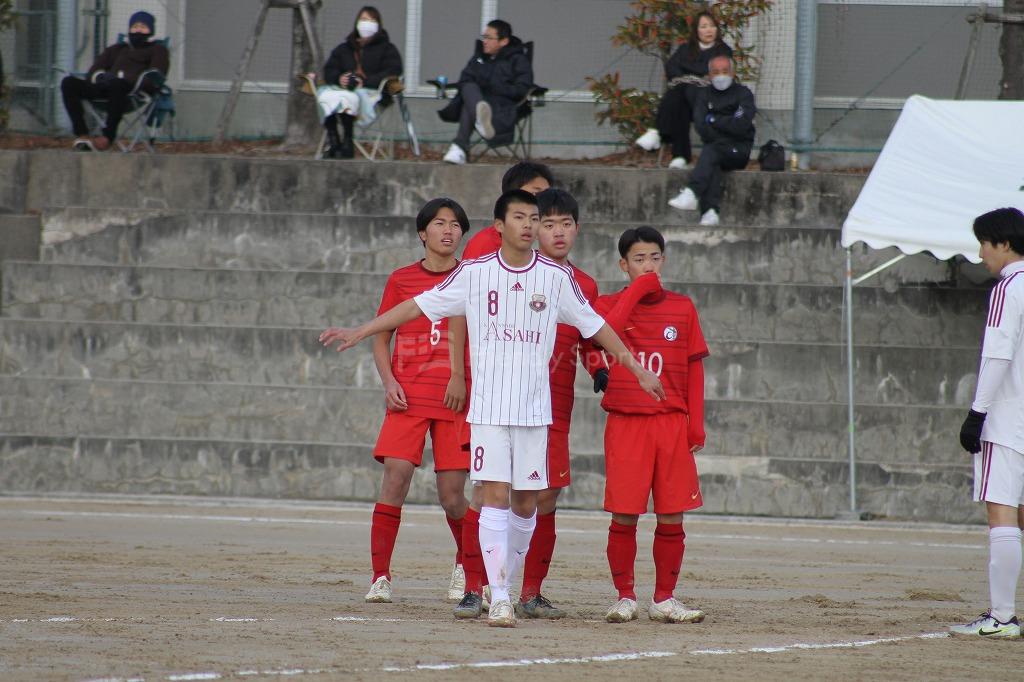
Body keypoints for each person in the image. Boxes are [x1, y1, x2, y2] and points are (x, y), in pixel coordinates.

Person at [321, 190, 664, 627]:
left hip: (535, 413)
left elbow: (595, 326)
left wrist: (636, 369)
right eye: (518, 216)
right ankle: (498, 595)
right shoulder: (474, 273)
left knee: (525, 504)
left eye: (534, 218)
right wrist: (362, 330)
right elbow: (415, 306)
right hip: (486, 412)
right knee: (495, 497)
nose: (528, 224)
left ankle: (507, 580)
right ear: (499, 225)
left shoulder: (556, 279)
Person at [591, 226, 708, 625]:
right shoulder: (611, 304)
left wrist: (697, 425)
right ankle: (625, 596)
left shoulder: (683, 306)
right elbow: (602, 338)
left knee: (672, 514)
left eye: (654, 257)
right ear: (623, 265)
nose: (648, 265)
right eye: (638, 259)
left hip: (671, 424)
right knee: (624, 514)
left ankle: (664, 598)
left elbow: (695, 370)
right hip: (627, 422)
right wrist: (637, 291)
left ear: (664, 259)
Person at [452, 160, 553, 619]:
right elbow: (457, 307)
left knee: (534, 497)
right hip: (490, 395)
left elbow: (586, 323)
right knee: (487, 492)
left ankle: (520, 587)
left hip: (543, 399)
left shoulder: (555, 272)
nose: (537, 219)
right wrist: (459, 372)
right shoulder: (479, 256)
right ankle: (477, 582)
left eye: (543, 208)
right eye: (530, 203)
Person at [361, 198, 472, 604]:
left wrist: (461, 377)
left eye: (456, 224)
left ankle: (466, 564)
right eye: (440, 223)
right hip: (407, 395)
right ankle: (380, 576)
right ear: (422, 233)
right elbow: (381, 334)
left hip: (456, 397)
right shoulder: (402, 279)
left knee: (453, 494)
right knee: (395, 478)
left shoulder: (471, 277)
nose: (449, 230)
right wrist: (388, 379)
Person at [513, 188, 601, 620]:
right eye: (548, 224)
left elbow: (591, 338)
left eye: (565, 224)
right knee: (497, 495)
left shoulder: (584, 284)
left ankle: (530, 592)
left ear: (576, 229)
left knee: (547, 495)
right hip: (506, 399)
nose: (558, 232)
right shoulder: (513, 272)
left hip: (555, 405)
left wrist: (599, 367)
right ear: (533, 229)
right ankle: (477, 584)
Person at [952, 207, 1024, 639]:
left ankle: (1001, 616)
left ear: (1002, 243)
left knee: (1002, 513)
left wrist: (977, 412)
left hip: (1009, 417)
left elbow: (998, 355)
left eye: (983, 243)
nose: (980, 253)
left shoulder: (1008, 288)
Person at [635, 11, 733, 170]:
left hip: (709, 100)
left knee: (680, 90)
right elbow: (671, 67)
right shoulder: (685, 49)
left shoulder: (723, 51)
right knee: (680, 103)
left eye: (712, 26)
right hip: (686, 100)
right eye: (704, 26)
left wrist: (688, 72)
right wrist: (694, 75)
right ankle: (679, 157)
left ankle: (658, 134)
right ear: (696, 31)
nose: (709, 30)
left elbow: (715, 71)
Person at [60, 11, 169, 152]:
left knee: (118, 84)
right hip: (105, 88)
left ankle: (107, 137)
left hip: (131, 94)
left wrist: (130, 82)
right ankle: (82, 134)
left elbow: (157, 74)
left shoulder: (157, 50)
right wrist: (100, 77)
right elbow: (94, 70)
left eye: (143, 26)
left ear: (151, 30)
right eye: (135, 26)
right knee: (68, 83)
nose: (138, 29)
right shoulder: (116, 49)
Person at [667, 55, 755, 227]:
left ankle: (693, 192)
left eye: (725, 71)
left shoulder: (743, 94)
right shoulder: (704, 94)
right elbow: (701, 126)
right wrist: (726, 124)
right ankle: (710, 213)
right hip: (715, 149)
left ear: (732, 72)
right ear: (709, 75)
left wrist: (714, 120)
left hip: (738, 151)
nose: (720, 75)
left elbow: (742, 125)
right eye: (716, 72)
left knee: (712, 151)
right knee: (713, 158)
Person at [439, 20, 533, 165]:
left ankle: (459, 148)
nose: (485, 42)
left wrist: (496, 87)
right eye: (484, 37)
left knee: (469, 105)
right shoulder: (479, 58)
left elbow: (522, 89)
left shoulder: (518, 60)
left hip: (504, 106)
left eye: (489, 38)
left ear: (504, 41)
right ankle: (480, 117)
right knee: (469, 88)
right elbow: (464, 79)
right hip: (480, 100)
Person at [318, 6, 403, 159]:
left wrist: (365, 82)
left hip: (373, 93)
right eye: (364, 19)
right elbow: (329, 69)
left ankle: (347, 141)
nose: (367, 23)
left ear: (378, 25)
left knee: (349, 97)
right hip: (343, 91)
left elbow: (393, 70)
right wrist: (340, 78)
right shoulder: (343, 49)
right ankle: (335, 141)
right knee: (327, 95)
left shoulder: (388, 49)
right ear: (357, 23)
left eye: (372, 20)